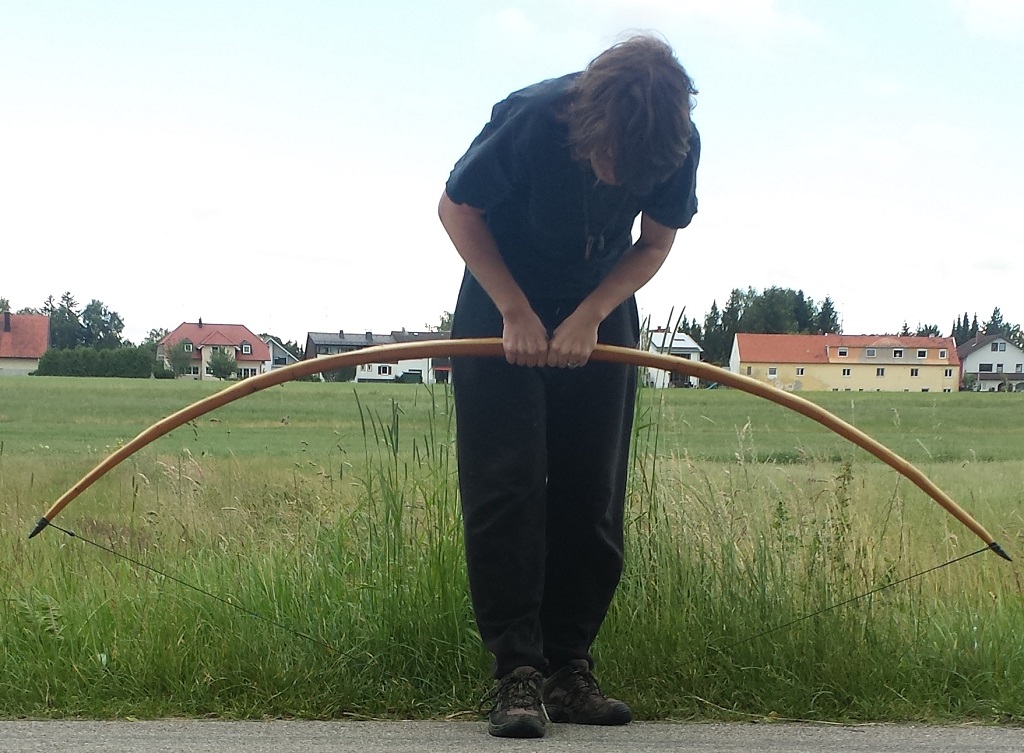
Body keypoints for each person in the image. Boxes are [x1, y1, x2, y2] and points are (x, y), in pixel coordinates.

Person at [438, 34, 700, 739]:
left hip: (600, 302)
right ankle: (517, 671)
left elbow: (654, 242)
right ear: (592, 120)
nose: (617, 179)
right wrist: (515, 311)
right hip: (500, 296)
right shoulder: (534, 118)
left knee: (592, 492)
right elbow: (457, 210)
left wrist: (590, 315)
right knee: (507, 486)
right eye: (610, 160)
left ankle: (568, 667)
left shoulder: (673, 143)